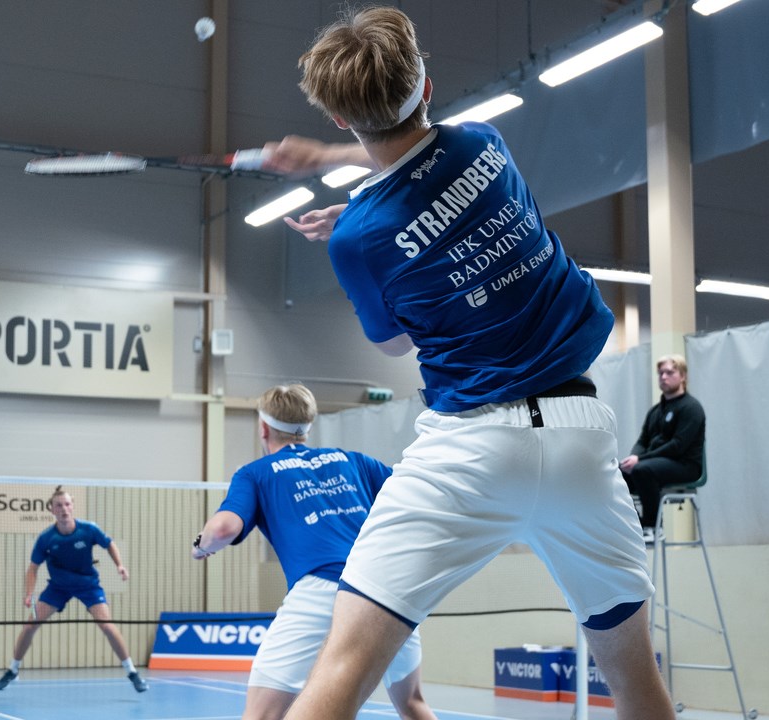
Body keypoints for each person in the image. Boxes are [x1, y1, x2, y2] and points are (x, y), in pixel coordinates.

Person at [260, 8, 675, 720]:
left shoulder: (358, 238)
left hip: (471, 450)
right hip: (584, 444)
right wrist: (353, 189)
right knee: (635, 678)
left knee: (348, 662)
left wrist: (368, 231)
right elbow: (416, 158)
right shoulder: (485, 145)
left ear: (335, 116)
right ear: (426, 84)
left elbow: (394, 343)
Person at [192, 384, 437, 720]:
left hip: (320, 592)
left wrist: (202, 545)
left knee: (261, 715)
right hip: (384, 589)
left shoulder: (256, 473)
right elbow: (416, 495)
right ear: (308, 425)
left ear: (263, 428)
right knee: (411, 703)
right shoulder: (354, 461)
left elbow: (223, 529)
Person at [0, 486, 147, 693]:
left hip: (88, 585)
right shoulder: (46, 538)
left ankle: (132, 673)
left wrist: (119, 565)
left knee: (108, 626)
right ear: (52, 510)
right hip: (58, 587)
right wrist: (29, 593)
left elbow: (109, 544)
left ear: (72, 507)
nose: (64, 509)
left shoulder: (89, 529)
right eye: (59, 505)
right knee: (30, 626)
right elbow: (32, 568)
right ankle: (12, 670)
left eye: (67, 504)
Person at [620, 354, 706, 537]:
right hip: (655, 464)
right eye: (660, 373)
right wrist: (632, 458)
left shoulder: (691, 407)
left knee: (642, 469)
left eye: (669, 372)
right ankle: (635, 525)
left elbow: (678, 446)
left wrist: (640, 459)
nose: (664, 377)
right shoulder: (655, 412)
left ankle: (653, 527)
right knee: (618, 473)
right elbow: (642, 441)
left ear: (682, 376)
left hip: (685, 465)